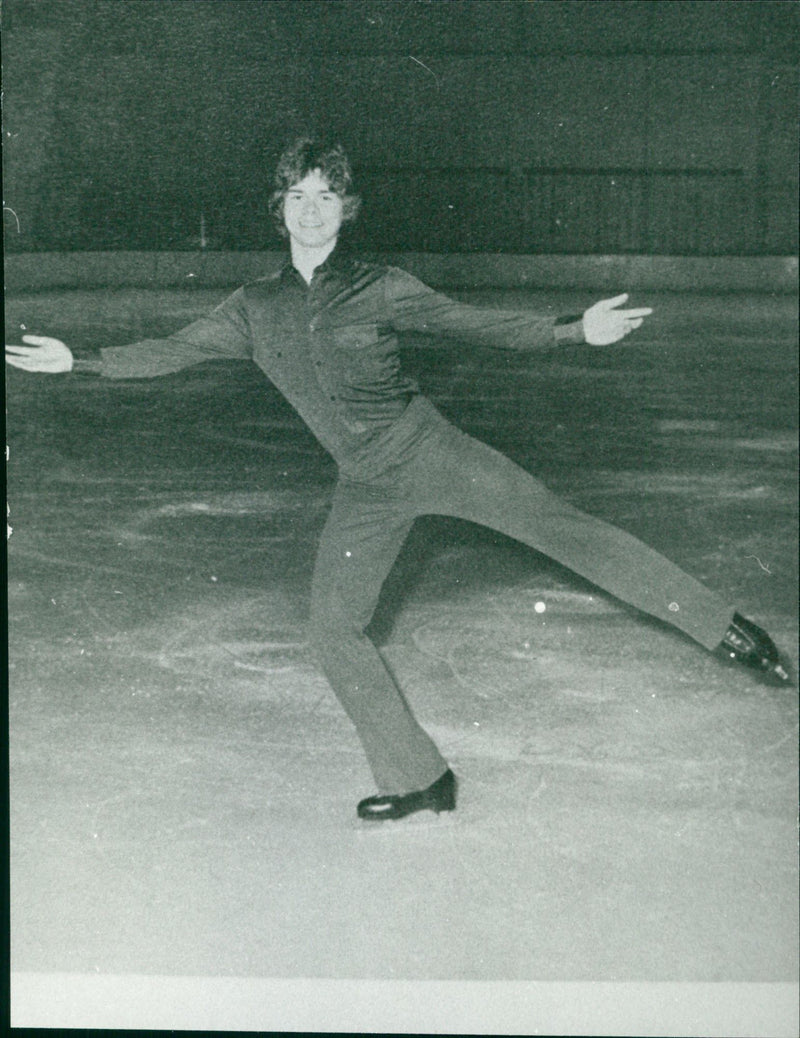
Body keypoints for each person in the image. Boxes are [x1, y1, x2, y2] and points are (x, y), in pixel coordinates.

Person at [6, 137, 791, 822]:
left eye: (327, 197)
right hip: (367, 488)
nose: (312, 211)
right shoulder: (253, 307)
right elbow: (172, 348)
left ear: (348, 210)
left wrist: (572, 330)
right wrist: (83, 359)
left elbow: (473, 324)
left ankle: (725, 627)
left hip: (434, 454)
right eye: (298, 196)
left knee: (566, 531)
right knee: (332, 628)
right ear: (278, 210)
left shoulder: (380, 285)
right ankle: (421, 779)